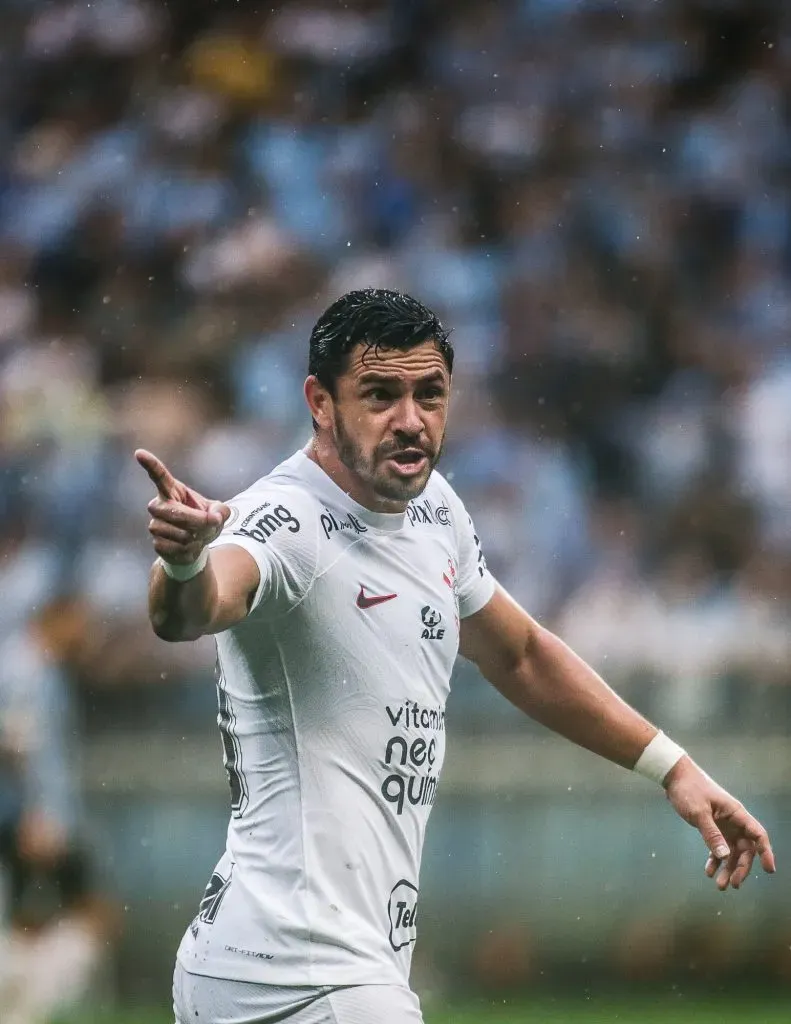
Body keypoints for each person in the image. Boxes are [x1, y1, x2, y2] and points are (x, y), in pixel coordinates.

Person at [138, 289, 776, 1024]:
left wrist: (673, 767)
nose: (410, 421)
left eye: (429, 395)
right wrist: (186, 563)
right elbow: (191, 611)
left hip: (266, 958)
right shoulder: (286, 521)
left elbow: (521, 654)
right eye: (379, 395)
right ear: (320, 402)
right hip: (303, 968)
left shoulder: (434, 511)